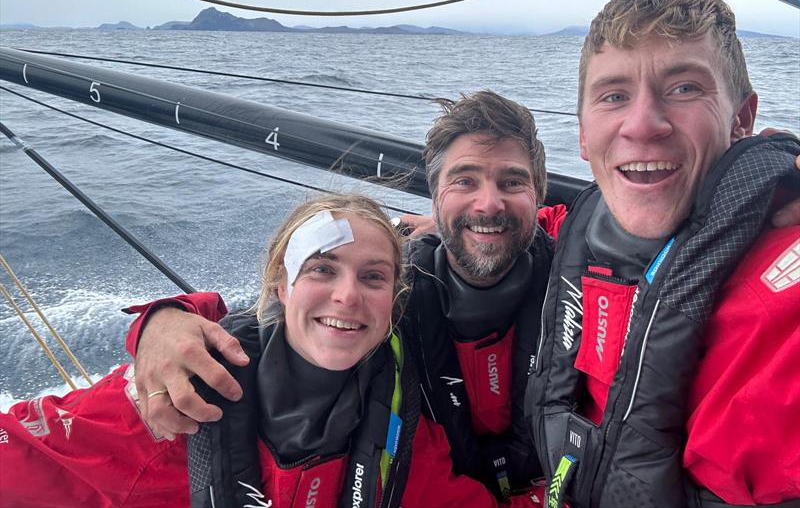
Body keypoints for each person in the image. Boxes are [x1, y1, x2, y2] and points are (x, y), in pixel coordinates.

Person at [128, 91, 567, 500]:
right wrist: (164, 319)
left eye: (512, 183)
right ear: (435, 198)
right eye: (464, 182)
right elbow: (272, 321)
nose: (488, 203)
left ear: (539, 195)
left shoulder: (581, 272)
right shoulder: (379, 310)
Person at [0, 194, 547, 507]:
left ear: (394, 304)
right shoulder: (170, 403)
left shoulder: (406, 443)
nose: (347, 295)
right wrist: (163, 320)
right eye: (322, 270)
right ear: (281, 287)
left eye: (374, 276)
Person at [526, 0, 800, 508]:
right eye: (614, 96)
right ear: (583, 134)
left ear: (742, 119)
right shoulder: (586, 233)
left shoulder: (783, 306)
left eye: (684, 88)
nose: (643, 124)